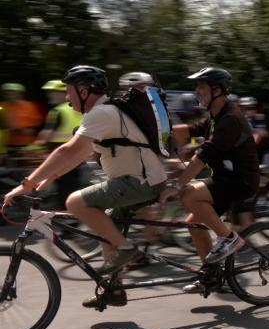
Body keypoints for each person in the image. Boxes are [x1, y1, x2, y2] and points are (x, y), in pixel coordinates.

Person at [2, 65, 168, 307]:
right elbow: (80, 153)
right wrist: (51, 176)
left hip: (139, 183)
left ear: (83, 90)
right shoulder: (105, 111)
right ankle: (114, 289)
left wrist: (27, 184)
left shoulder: (102, 112)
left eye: (69, 91)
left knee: (75, 202)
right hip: (138, 181)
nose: (67, 97)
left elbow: (67, 149)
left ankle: (126, 248)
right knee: (104, 230)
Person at [161, 67, 260, 293]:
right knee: (193, 223)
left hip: (240, 181)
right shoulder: (216, 115)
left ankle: (229, 238)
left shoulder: (231, 119)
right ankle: (211, 275)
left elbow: (203, 156)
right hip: (225, 178)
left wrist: (177, 185)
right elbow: (193, 130)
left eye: (201, 87)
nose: (197, 92)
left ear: (217, 90)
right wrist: (164, 131)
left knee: (188, 194)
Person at [31, 80, 84, 209]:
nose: (50, 95)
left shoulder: (57, 111)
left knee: (63, 186)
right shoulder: (79, 108)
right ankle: (72, 213)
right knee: (71, 184)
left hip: (61, 154)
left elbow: (46, 134)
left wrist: (32, 147)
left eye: (53, 93)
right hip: (78, 153)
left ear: (63, 93)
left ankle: (69, 215)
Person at [0, 82, 44, 151]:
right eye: (7, 93)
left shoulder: (29, 105)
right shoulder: (1, 106)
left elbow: (37, 123)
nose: (10, 95)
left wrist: (28, 129)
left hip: (26, 143)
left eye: (14, 93)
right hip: (5, 143)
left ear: (20, 94)